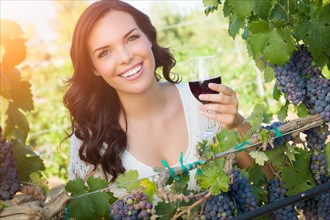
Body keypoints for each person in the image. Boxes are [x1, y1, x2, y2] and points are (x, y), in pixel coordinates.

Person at [64, 0, 253, 191]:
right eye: (105, 53)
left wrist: (236, 124)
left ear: (149, 38)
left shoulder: (202, 101)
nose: (125, 57)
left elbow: (269, 180)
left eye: (131, 38)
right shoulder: (90, 140)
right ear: (94, 68)